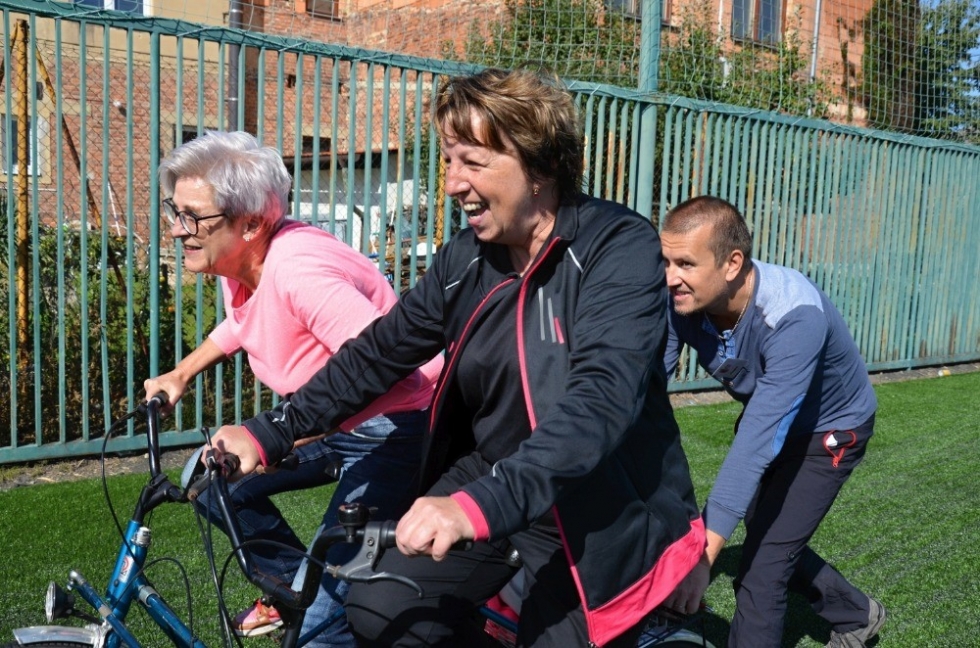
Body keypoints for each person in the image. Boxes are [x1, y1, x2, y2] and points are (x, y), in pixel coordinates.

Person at [206, 68, 706, 647]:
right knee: (381, 606)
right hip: (492, 475)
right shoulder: (466, 258)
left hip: (596, 501)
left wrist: (479, 505)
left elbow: (601, 400)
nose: (452, 183)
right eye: (448, 161)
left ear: (540, 164)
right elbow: (379, 352)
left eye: (472, 161)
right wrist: (272, 429)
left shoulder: (617, 245)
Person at [144, 130, 443, 648]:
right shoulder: (240, 261)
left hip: (395, 428)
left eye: (192, 217)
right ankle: (291, 593)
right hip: (332, 423)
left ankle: (317, 612)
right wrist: (183, 372)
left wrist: (276, 438)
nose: (176, 229)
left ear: (250, 223)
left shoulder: (300, 272)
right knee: (211, 483)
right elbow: (243, 321)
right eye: (176, 211)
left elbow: (384, 366)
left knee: (324, 627)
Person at [659, 196, 886, 647]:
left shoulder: (794, 315)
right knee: (766, 530)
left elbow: (757, 442)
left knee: (762, 569)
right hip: (772, 414)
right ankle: (856, 613)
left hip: (831, 429)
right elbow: (646, 390)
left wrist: (701, 555)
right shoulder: (681, 300)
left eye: (685, 263)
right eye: (666, 261)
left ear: (732, 264)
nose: (670, 277)